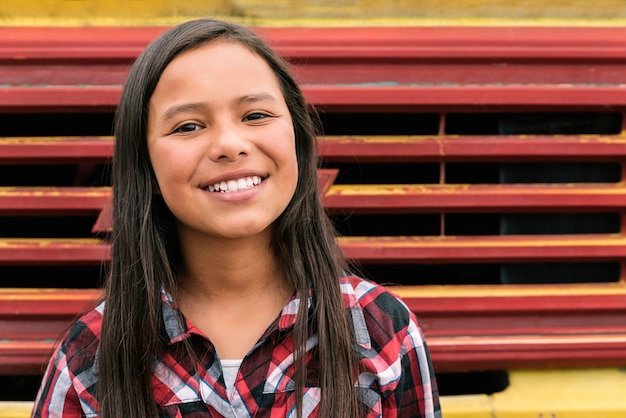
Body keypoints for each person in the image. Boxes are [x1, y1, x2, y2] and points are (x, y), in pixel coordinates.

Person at [31, 18, 441, 418]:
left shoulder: (383, 331)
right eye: (188, 125)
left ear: (297, 140)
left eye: (256, 116)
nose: (229, 145)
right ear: (146, 168)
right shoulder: (89, 359)